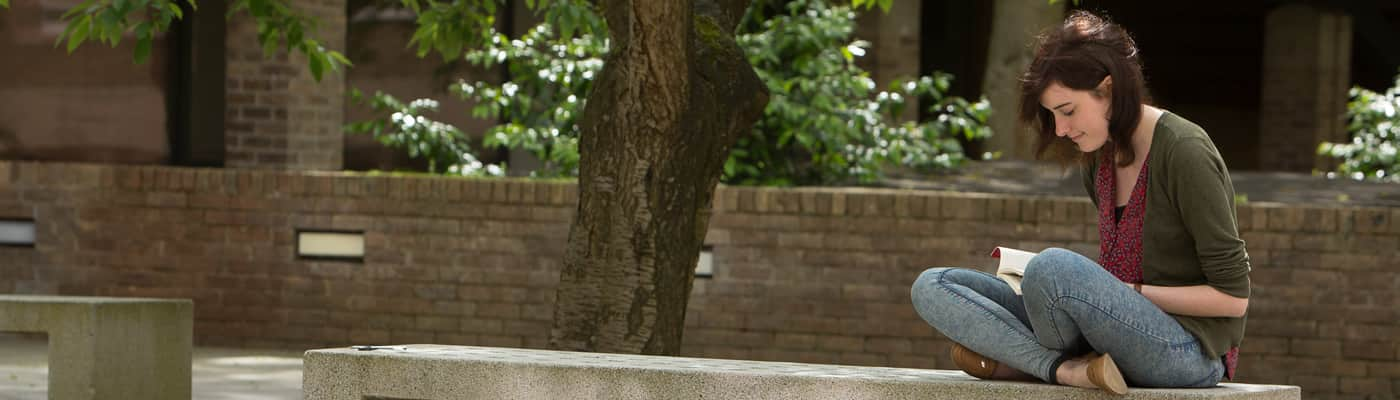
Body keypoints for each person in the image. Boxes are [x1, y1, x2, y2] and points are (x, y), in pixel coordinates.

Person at [908, 10, 1250, 395]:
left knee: (1052, 268)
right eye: (1053, 116)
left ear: (1108, 90)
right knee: (934, 285)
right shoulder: (1100, 160)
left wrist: (1125, 291)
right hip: (1108, 339)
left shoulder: (1184, 151)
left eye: (1067, 111)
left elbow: (1234, 299)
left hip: (1188, 351)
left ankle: (1022, 361)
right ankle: (1065, 371)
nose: (1061, 130)